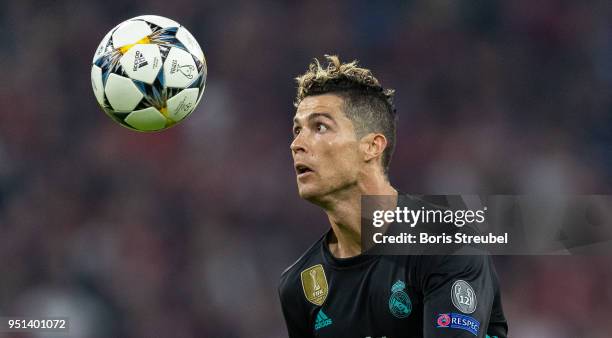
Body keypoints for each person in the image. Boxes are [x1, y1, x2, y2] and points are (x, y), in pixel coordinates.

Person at [278, 55, 508, 338]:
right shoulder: (299, 286)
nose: (296, 144)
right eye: (297, 130)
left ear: (372, 147)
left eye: (320, 127)